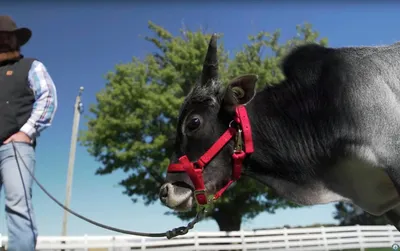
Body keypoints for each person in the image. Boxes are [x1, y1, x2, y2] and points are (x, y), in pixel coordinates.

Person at [0, 15, 58, 251]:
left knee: (17, 203)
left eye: (7, 36)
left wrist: (26, 132)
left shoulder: (31, 66)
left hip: (15, 146)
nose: (3, 40)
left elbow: (47, 97)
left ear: (16, 40)